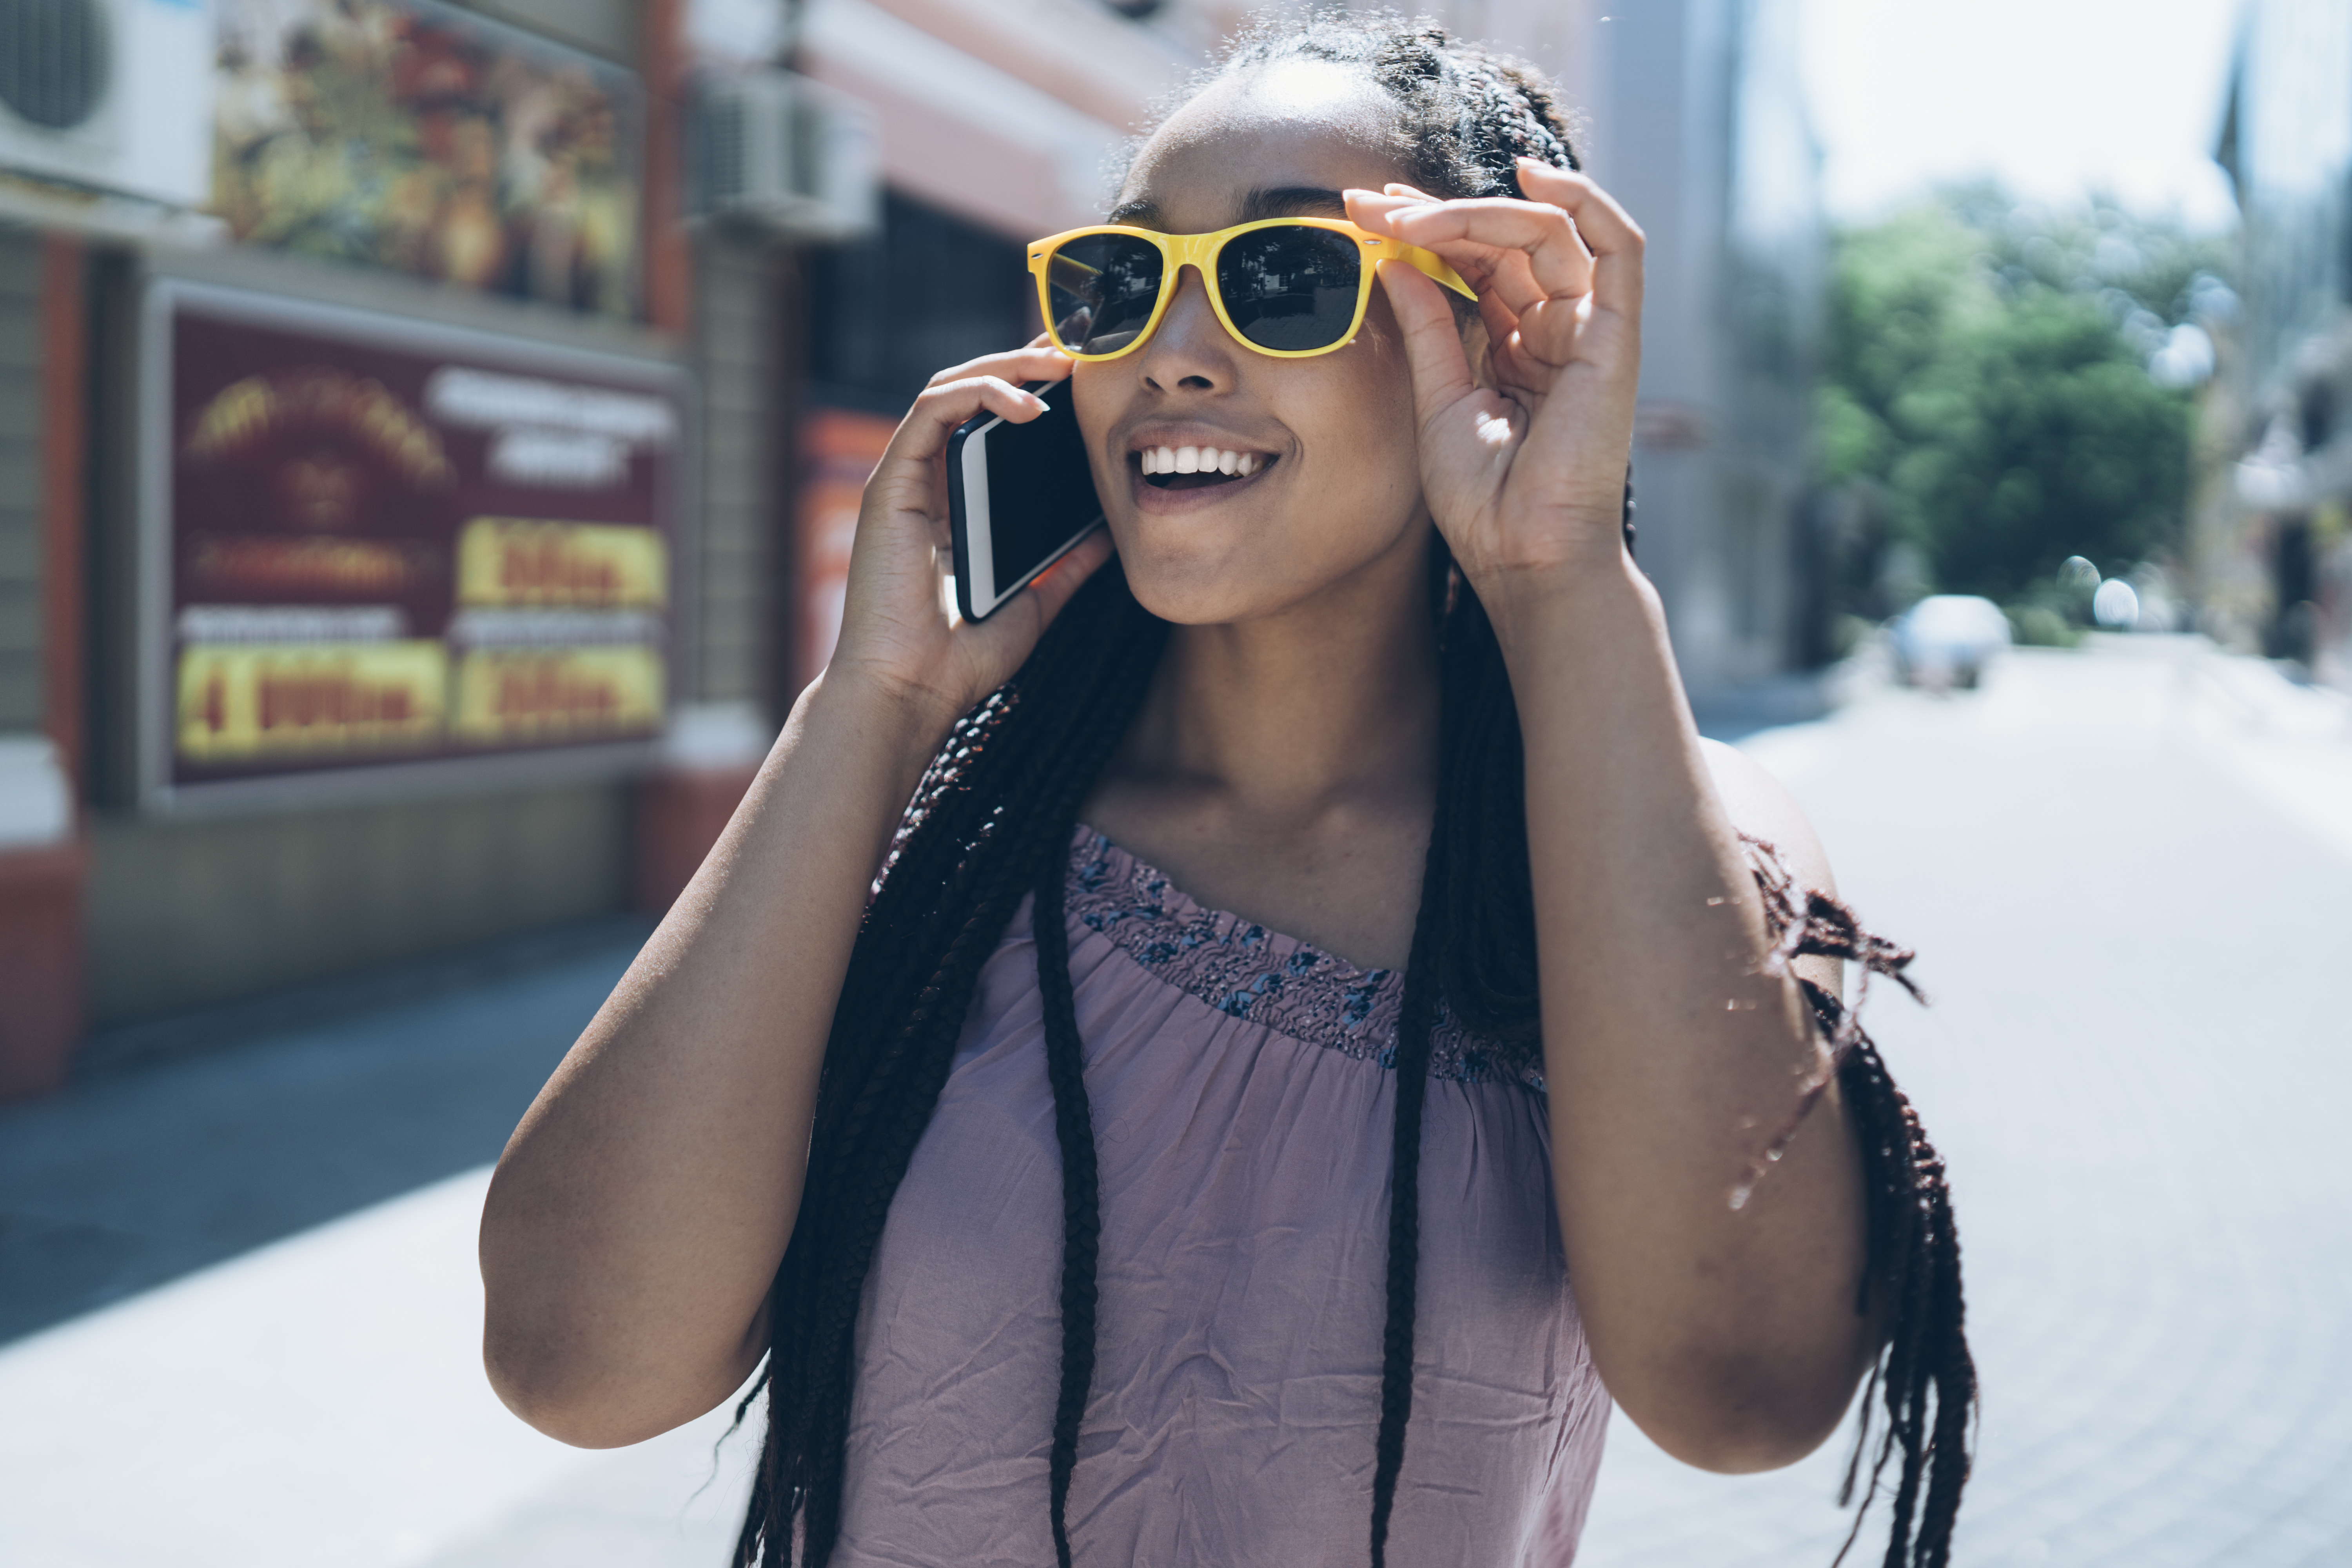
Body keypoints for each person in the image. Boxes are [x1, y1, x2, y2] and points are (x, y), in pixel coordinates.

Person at [478, 13, 1974, 1567]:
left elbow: (1747, 1394)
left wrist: (1565, 575)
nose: (1174, 355)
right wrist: (872, 706)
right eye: (1126, 286)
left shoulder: (1685, 841)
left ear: (1491, 342)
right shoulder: (944, 836)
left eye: (1285, 280)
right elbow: (573, 1363)